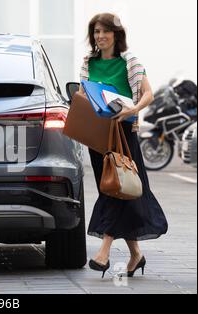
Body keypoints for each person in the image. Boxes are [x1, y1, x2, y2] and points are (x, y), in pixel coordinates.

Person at [78, 13, 168, 278]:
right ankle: (136, 255)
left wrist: (133, 107)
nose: (100, 36)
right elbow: (85, 96)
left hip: (123, 132)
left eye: (105, 31)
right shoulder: (87, 63)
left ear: (117, 35)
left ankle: (104, 251)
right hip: (99, 134)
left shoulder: (130, 62)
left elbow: (148, 94)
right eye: (95, 32)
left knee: (116, 190)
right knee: (115, 187)